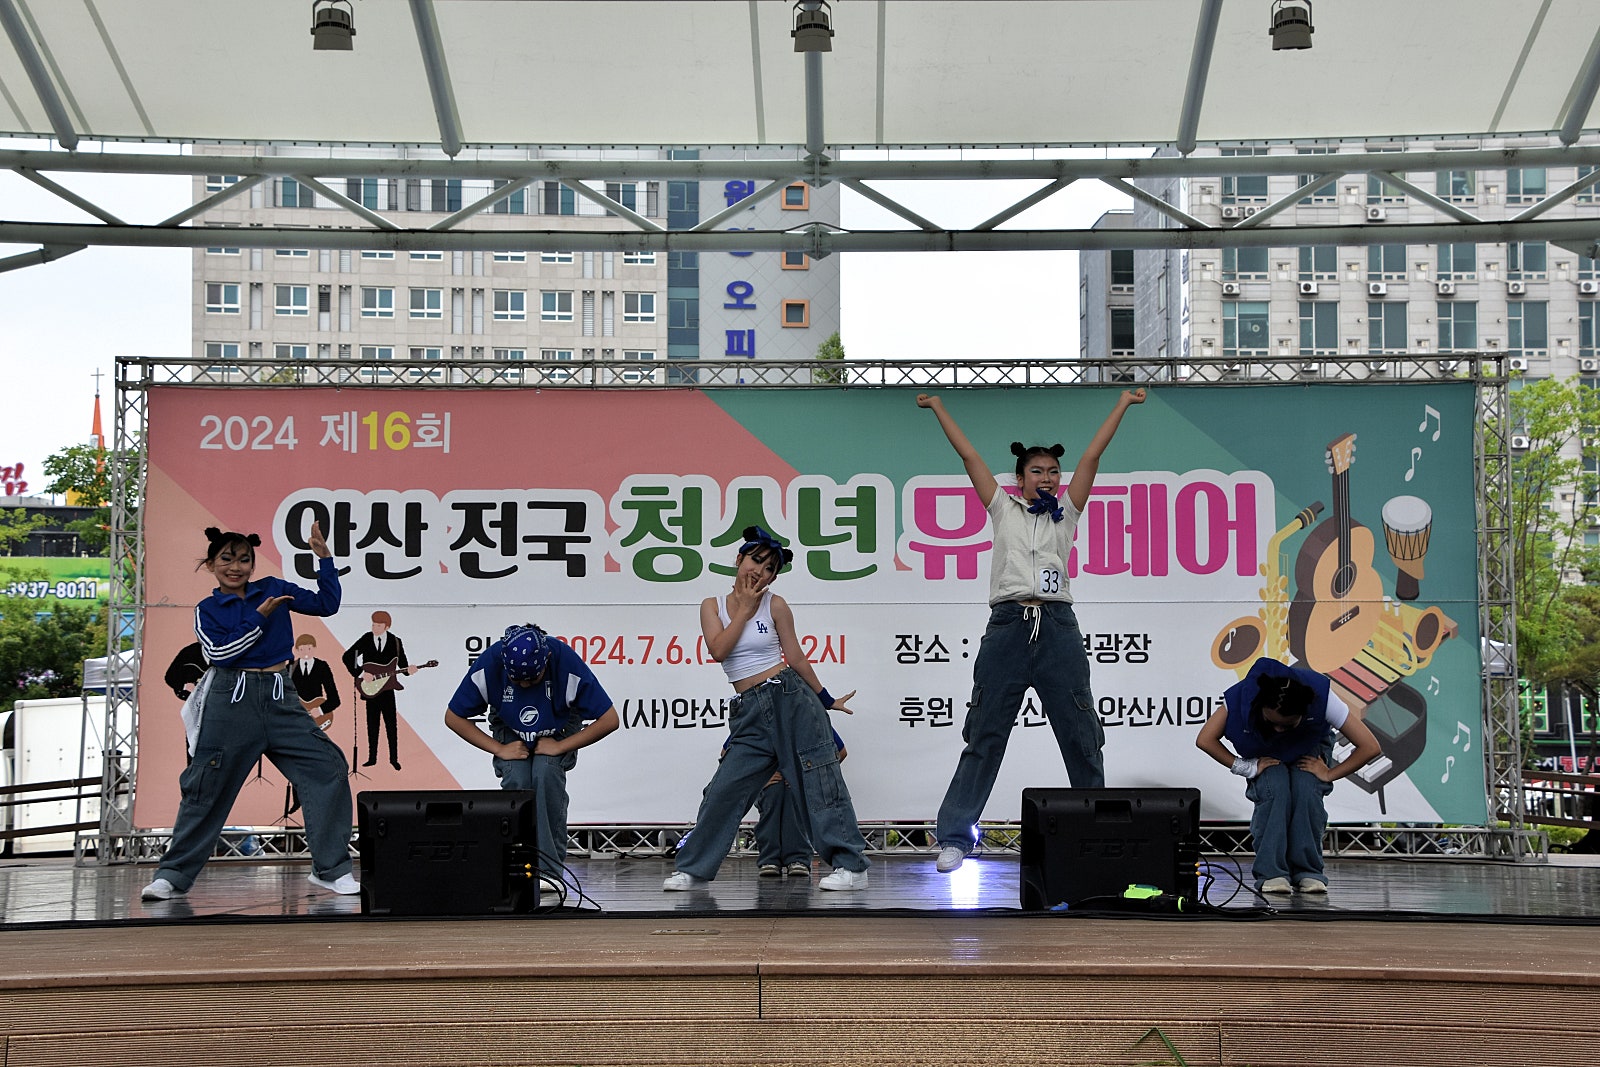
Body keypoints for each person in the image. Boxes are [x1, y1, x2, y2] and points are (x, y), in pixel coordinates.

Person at [917, 389, 1146, 874]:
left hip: (1058, 629)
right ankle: (955, 838)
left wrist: (1123, 404)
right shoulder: (1003, 509)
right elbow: (970, 456)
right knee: (985, 733)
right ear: (1019, 479)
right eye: (1037, 471)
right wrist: (938, 408)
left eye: (1053, 471)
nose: (1047, 477)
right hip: (1008, 627)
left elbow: (1092, 457)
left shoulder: (1069, 513)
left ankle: (1098, 838)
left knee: (1082, 734)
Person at [141, 523, 357, 901]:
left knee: (328, 767)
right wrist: (259, 617)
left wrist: (324, 559)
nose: (236, 567)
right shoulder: (208, 609)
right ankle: (172, 875)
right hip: (231, 699)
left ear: (253, 565)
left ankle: (331, 869)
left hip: (280, 695)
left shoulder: (273, 588)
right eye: (227, 559)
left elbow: (327, 605)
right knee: (206, 785)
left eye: (244, 560)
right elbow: (220, 653)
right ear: (211, 564)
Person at [664, 526, 871, 892]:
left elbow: (796, 657)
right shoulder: (712, 605)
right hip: (749, 710)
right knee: (724, 789)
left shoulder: (775, 604)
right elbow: (719, 650)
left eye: (770, 568)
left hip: (790, 697)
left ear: (774, 577)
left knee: (820, 782)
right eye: (756, 560)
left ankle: (852, 867)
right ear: (739, 559)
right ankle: (694, 868)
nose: (760, 571)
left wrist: (825, 699)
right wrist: (744, 610)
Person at [444, 623, 619, 890]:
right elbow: (453, 717)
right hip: (509, 726)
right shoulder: (491, 661)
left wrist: (561, 746)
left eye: (532, 680)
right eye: (517, 681)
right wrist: (498, 749)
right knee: (517, 778)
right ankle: (517, 866)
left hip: (560, 726)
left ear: (546, 660)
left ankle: (548, 870)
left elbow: (609, 720)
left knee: (545, 772)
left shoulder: (565, 660)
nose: (525, 685)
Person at [1195, 656, 1382, 894]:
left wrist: (1329, 774)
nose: (1279, 730)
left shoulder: (1321, 697)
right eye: (1272, 722)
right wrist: (1247, 767)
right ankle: (1272, 873)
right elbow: (1205, 739)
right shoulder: (1242, 696)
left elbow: (1370, 746)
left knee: (1306, 790)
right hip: (1263, 747)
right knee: (1275, 789)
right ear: (1259, 706)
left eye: (1287, 725)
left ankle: (1309, 872)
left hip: (1309, 745)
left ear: (1305, 713)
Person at [746, 727, 846, 877]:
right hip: (769, 785)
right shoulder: (757, 718)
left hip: (797, 783)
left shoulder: (808, 718)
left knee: (793, 795)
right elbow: (727, 753)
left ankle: (798, 858)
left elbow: (841, 752)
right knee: (773, 793)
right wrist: (759, 777)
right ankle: (770, 859)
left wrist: (808, 775)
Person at [342, 610, 411, 770]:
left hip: (388, 689)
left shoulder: (395, 641)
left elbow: (403, 664)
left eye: (378, 625)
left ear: (386, 626)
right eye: (373, 625)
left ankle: (393, 759)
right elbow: (348, 656)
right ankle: (372, 758)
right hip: (370, 689)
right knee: (372, 724)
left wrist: (409, 670)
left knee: (391, 725)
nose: (375, 628)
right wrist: (361, 672)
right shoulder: (366, 639)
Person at [290, 633, 341, 730]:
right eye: (302, 649)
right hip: (296, 720)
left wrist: (320, 710)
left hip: (318, 721)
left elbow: (335, 699)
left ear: (315, 648)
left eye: (309, 649)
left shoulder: (322, 666)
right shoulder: (290, 667)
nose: (306, 653)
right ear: (296, 650)